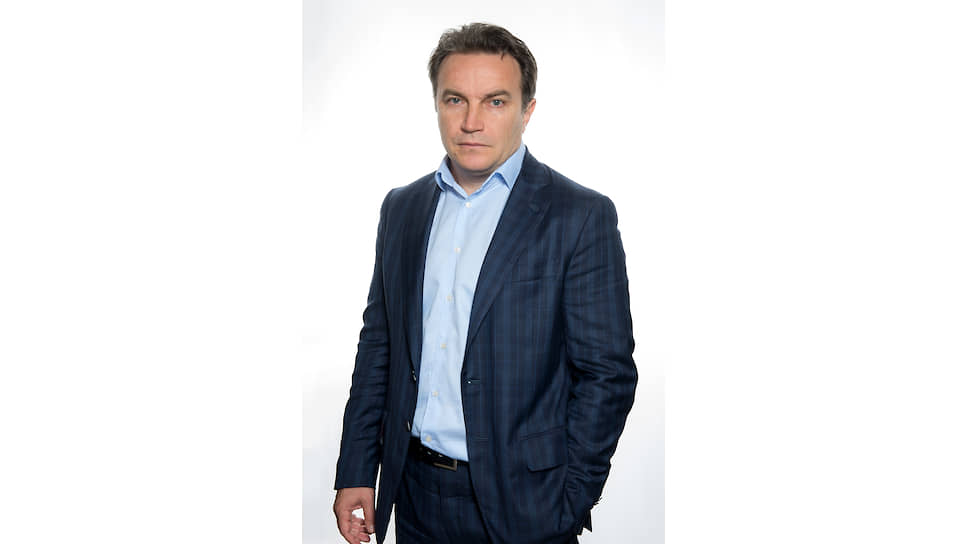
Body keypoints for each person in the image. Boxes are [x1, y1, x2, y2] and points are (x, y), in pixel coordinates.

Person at [333, 22, 637, 544]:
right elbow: (379, 345)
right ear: (436, 104)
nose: (471, 122)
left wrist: (569, 500)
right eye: (456, 100)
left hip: (527, 505)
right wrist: (358, 468)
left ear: (527, 110)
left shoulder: (578, 216)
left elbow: (607, 374)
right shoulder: (402, 209)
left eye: (495, 102)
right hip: (416, 495)